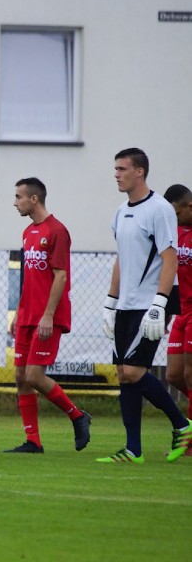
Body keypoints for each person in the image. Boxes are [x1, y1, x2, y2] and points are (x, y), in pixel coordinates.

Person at [99, 148, 192, 464]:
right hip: (125, 305)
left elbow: (170, 259)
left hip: (151, 303)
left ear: (139, 171)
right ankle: (133, 449)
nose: (116, 174)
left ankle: (182, 424)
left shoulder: (160, 209)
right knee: (124, 374)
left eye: (122, 168)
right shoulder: (119, 212)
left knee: (134, 371)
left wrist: (159, 304)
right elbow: (120, 260)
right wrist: (110, 303)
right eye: (115, 168)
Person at [5, 177, 91, 454]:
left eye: (18, 196)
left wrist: (48, 316)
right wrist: (20, 312)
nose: (15, 202)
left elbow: (61, 275)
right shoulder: (28, 233)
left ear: (34, 199)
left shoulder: (56, 231)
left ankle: (77, 416)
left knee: (33, 376)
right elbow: (30, 279)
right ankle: (33, 442)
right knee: (20, 377)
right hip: (28, 316)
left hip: (46, 318)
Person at [163, 183, 192, 457]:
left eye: (177, 212)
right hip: (182, 312)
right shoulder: (178, 233)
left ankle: (191, 442)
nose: (175, 218)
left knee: (189, 375)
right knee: (173, 375)